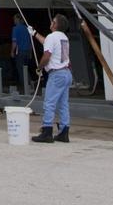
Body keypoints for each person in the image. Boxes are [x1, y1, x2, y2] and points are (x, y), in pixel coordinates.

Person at [32, 13, 73, 143]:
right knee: (63, 104)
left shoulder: (51, 37)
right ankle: (64, 132)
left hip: (56, 74)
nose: (51, 22)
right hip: (67, 73)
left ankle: (47, 131)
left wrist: (39, 67)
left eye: (52, 21)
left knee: (49, 103)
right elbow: (47, 43)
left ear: (55, 24)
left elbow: (47, 55)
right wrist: (34, 34)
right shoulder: (64, 37)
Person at [11, 12, 34, 91]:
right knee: (25, 68)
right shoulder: (27, 28)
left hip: (20, 51)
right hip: (27, 51)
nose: (13, 20)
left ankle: (27, 86)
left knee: (21, 69)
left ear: (18, 19)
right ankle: (31, 83)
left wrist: (12, 51)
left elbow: (14, 42)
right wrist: (31, 53)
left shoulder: (15, 29)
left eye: (14, 19)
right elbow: (30, 42)